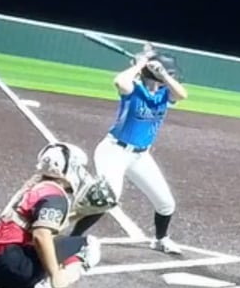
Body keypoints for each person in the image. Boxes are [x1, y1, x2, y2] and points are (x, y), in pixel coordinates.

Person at [0, 143, 111, 288]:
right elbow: (41, 236)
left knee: (50, 243)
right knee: (88, 246)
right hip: (13, 265)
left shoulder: (34, 185)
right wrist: (56, 275)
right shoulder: (55, 197)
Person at [71, 46, 188, 254]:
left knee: (166, 203)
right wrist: (141, 64)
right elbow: (119, 81)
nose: (170, 76)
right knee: (107, 198)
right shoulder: (133, 89)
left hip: (140, 156)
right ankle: (72, 239)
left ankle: (161, 239)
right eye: (166, 73)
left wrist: (162, 74)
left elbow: (183, 95)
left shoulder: (164, 94)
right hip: (114, 151)